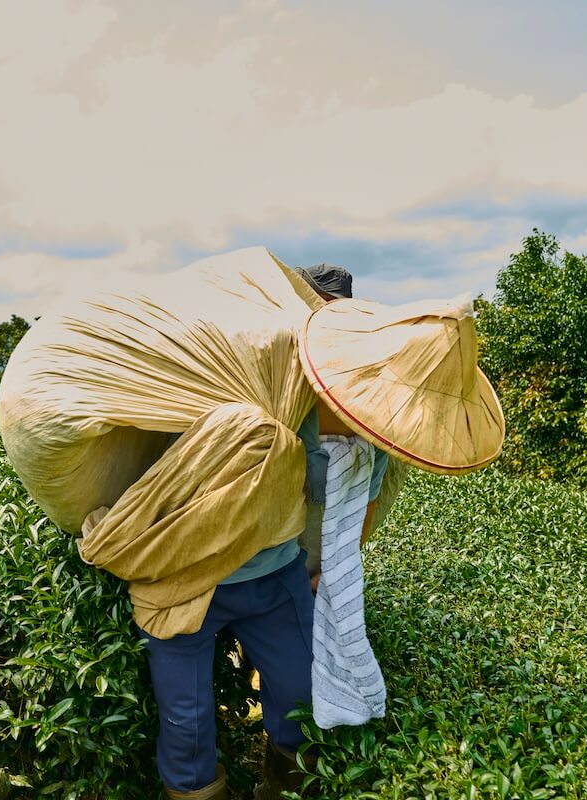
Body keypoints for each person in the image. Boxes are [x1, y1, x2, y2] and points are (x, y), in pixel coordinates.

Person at [146, 262, 385, 799]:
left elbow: (355, 503)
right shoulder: (232, 368)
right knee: (186, 727)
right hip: (188, 579)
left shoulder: (356, 409)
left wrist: (328, 570)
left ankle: (280, 788)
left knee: (301, 701)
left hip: (275, 575)